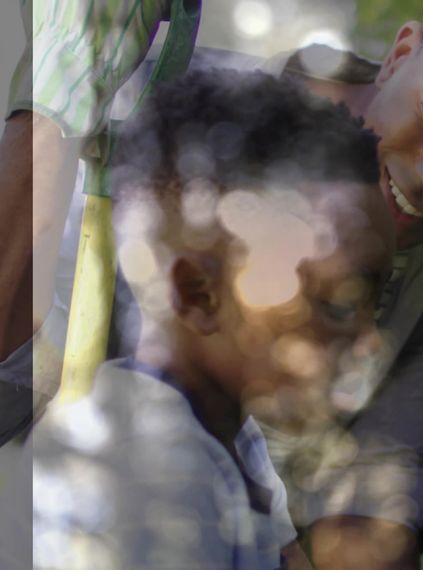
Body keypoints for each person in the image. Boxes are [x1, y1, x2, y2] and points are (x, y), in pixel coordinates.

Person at [2, 1, 423, 568]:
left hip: (283, 510)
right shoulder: (162, 116)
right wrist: (52, 118)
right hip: (81, 481)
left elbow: (380, 484)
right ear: (401, 54)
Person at [32, 67, 392, 569]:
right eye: (337, 304)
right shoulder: (151, 482)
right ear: (199, 294)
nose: (369, 342)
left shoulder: (226, 431)